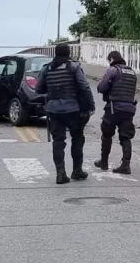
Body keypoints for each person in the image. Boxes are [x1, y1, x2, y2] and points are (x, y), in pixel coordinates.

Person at [36, 43, 95, 184]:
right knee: (77, 138)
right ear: (69, 53)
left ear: (55, 53)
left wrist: (53, 90)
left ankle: (60, 174)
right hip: (72, 109)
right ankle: (77, 170)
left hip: (53, 110)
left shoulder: (47, 68)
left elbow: (38, 89)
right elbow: (84, 86)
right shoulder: (73, 67)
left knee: (58, 141)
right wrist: (90, 105)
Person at [94, 51, 138, 175]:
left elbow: (101, 87)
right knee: (126, 136)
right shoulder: (132, 72)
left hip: (114, 107)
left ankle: (104, 162)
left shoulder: (113, 70)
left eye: (109, 60)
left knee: (107, 134)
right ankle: (125, 165)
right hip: (129, 108)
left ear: (112, 59)